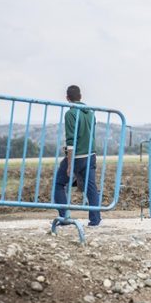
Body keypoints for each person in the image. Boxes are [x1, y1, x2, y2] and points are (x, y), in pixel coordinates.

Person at [53, 85, 101, 227]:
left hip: (78, 156)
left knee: (58, 184)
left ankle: (64, 217)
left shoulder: (71, 113)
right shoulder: (90, 113)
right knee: (91, 187)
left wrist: (69, 163)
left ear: (67, 98)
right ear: (80, 96)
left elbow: (71, 141)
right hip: (91, 154)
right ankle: (95, 220)